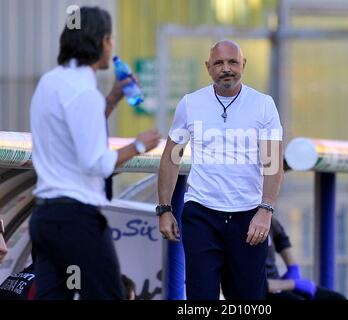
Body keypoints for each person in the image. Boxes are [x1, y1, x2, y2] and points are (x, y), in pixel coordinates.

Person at [29, 6, 160, 300]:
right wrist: (140, 145)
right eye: (110, 38)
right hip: (77, 220)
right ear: (100, 41)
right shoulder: (84, 91)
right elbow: (96, 163)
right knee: (109, 294)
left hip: (45, 217)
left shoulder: (51, 82)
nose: (112, 45)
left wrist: (113, 98)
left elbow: (78, 133)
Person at [157, 40, 284, 300]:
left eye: (232, 62)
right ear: (208, 68)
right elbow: (171, 157)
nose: (226, 69)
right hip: (202, 214)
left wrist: (266, 209)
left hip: (249, 217)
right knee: (201, 298)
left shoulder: (263, 105)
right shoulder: (190, 104)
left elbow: (273, 162)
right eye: (219, 63)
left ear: (243, 65)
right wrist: (165, 209)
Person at [266, 217, 346, 300]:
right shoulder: (254, 217)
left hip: (279, 285)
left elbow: (280, 236)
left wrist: (293, 268)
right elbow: (255, 286)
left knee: (337, 298)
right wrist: (293, 284)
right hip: (264, 290)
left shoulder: (266, 215)